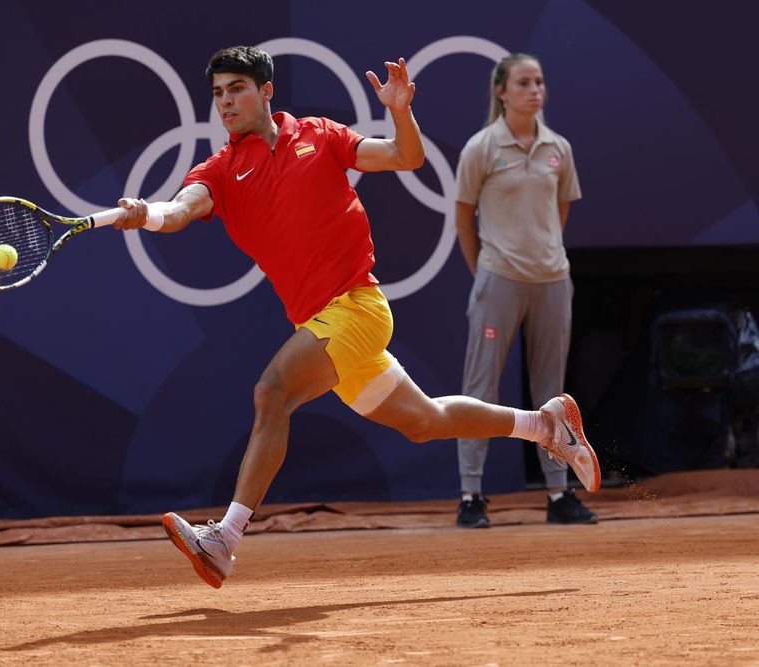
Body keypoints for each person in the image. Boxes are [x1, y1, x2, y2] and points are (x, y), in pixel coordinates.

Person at [115, 46, 599, 589]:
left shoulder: (319, 135)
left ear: (266, 91)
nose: (225, 103)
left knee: (272, 392)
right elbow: (182, 209)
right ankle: (544, 424)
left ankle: (225, 539)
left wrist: (400, 110)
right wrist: (149, 214)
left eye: (237, 90)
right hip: (322, 324)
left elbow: (404, 157)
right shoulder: (221, 169)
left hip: (358, 308)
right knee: (425, 422)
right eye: (218, 94)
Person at [453, 53, 597, 529]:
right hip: (499, 279)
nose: (534, 90)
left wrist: (544, 256)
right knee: (480, 388)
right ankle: (471, 495)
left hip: (552, 280)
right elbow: (463, 217)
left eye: (539, 81)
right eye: (523, 82)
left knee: (553, 392)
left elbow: (559, 213)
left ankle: (558, 494)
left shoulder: (560, 147)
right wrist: (487, 272)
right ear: (501, 92)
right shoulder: (481, 147)